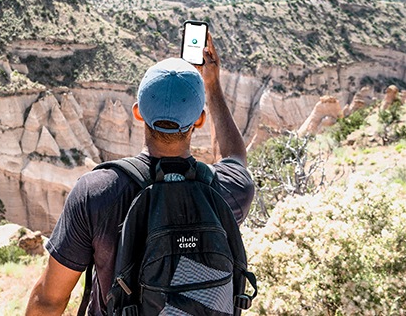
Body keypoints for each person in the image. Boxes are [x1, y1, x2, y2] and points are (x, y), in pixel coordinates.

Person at [26, 31, 254, 316]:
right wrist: (212, 85)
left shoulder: (96, 192)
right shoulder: (229, 190)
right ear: (199, 120)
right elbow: (234, 157)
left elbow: (49, 300)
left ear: (138, 113)